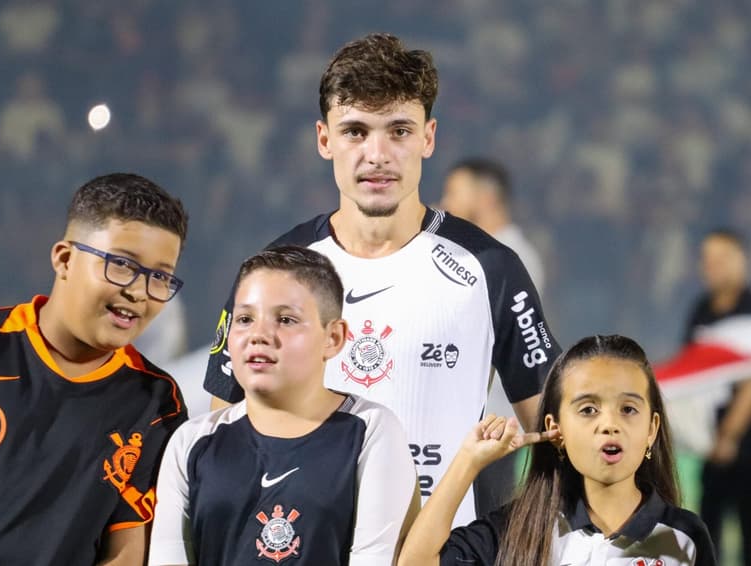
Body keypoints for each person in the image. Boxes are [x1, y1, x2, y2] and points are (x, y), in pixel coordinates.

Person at [204, 32, 560, 527]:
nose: (377, 154)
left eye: (398, 130)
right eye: (355, 131)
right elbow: (220, 434)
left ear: (428, 138)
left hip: (448, 554)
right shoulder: (274, 271)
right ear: (324, 140)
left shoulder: (491, 266)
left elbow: (556, 431)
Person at [0, 173, 189, 565]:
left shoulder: (155, 403)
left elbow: (127, 553)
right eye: (121, 265)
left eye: (160, 277)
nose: (138, 290)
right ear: (65, 258)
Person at [150, 246, 416, 565]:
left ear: (333, 338)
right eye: (245, 319)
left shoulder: (370, 429)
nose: (259, 335)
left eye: (286, 319)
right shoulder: (191, 441)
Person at [399, 335, 716, 566]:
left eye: (628, 409)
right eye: (589, 409)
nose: (609, 424)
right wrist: (468, 462)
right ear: (556, 429)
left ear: (651, 429)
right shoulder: (519, 529)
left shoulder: (686, 536)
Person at [441, 157, 547, 514]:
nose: (445, 203)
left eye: (454, 192)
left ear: (485, 198)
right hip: (477, 423)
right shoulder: (480, 253)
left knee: (484, 524)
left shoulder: (509, 259)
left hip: (497, 423)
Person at [684, 229, 751, 566]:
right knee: (708, 539)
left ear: (742, 261)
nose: (712, 267)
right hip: (710, 451)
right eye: (707, 260)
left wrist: (728, 437)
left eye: (721, 259)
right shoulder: (701, 310)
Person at [441, 157, 544, 291]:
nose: (445, 204)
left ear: (486, 199)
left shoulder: (515, 261)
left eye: (452, 194)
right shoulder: (468, 252)